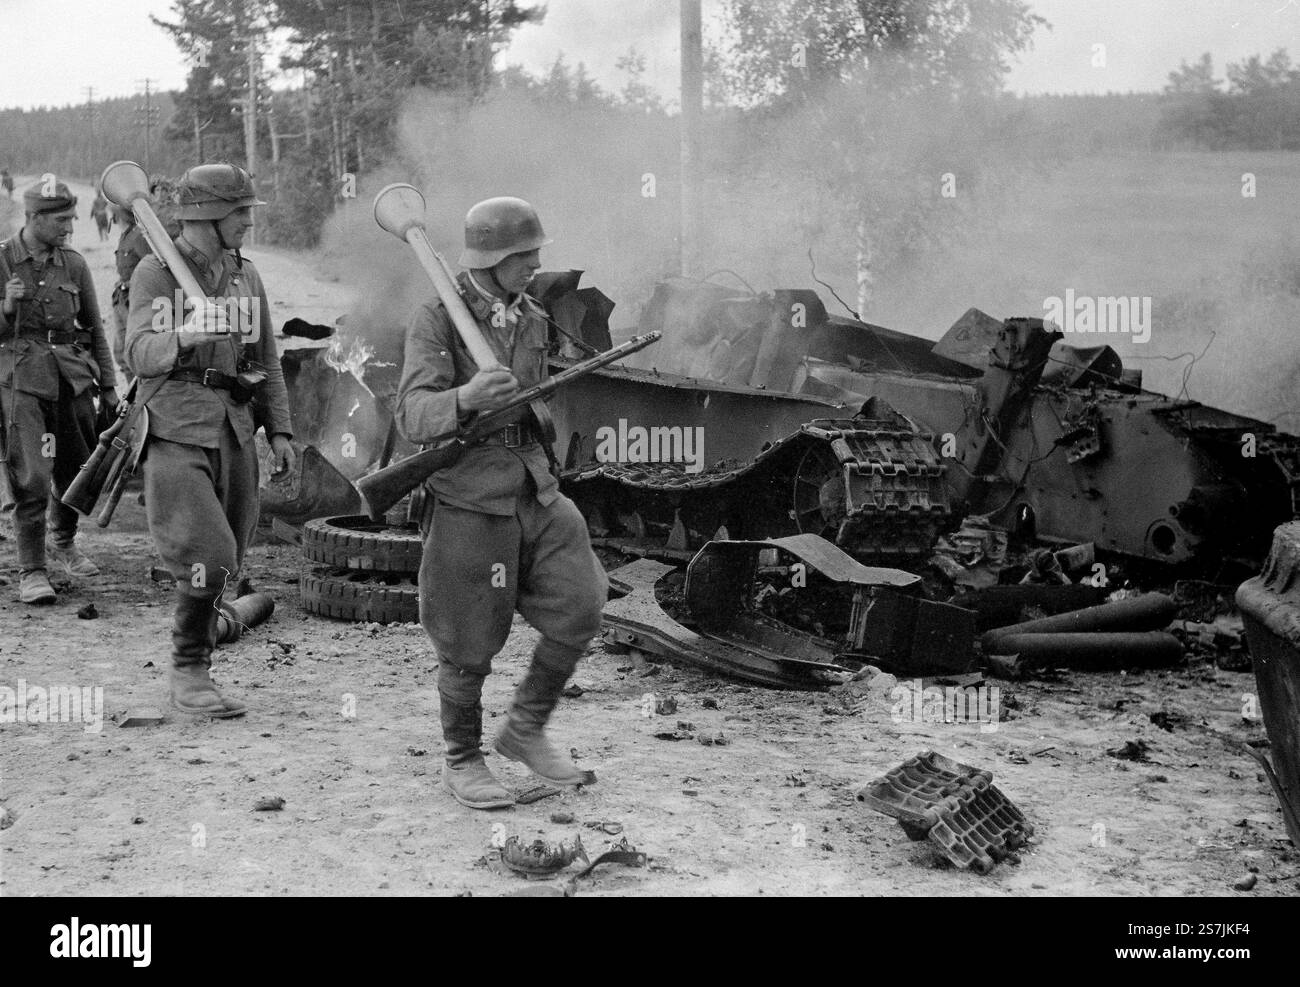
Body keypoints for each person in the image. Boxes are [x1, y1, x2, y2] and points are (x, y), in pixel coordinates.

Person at [395, 196, 608, 810]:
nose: (534, 264)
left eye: (535, 252)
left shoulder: (533, 315)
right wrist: (465, 397)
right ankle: (463, 758)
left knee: (581, 601)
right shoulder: (438, 318)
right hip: (470, 493)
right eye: (522, 255)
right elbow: (413, 415)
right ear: (489, 258)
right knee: (468, 639)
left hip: (535, 486)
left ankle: (526, 729)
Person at [125, 163, 294, 718]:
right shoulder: (157, 271)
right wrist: (185, 334)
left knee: (231, 556)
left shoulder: (246, 275)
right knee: (209, 555)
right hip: (175, 425)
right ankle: (188, 669)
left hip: (236, 428)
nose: (248, 221)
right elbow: (138, 353)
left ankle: (207, 640)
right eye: (240, 212)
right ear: (209, 216)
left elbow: (266, 355)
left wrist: (282, 429)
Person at [0, 179, 117, 604]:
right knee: (31, 472)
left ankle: (63, 540)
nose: (69, 227)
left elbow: (95, 328)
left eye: (71, 217)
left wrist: (108, 385)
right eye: (61, 219)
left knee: (76, 466)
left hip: (71, 379)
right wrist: (6, 308)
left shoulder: (74, 264)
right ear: (33, 218)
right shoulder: (3, 260)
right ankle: (32, 570)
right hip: (22, 382)